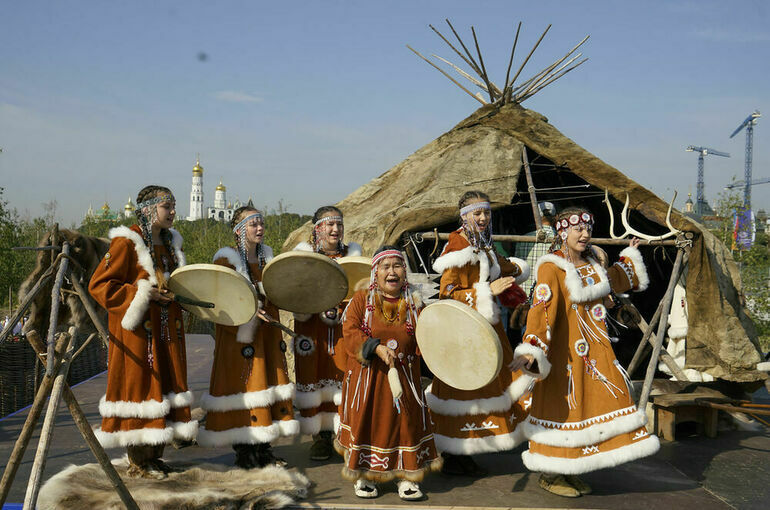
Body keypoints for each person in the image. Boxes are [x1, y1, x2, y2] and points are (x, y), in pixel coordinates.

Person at [511, 206, 658, 497]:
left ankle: (572, 469)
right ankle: (551, 473)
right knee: (562, 410)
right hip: (563, 355)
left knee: (595, 406)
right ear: (563, 231)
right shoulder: (550, 267)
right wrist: (532, 348)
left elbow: (614, 279)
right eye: (578, 229)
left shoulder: (591, 261)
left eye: (588, 228)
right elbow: (542, 309)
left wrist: (629, 257)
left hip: (595, 353)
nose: (585, 234)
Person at [89, 185, 196, 479]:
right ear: (149, 209)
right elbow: (99, 285)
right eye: (167, 207)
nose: (173, 212)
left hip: (167, 333)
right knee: (140, 390)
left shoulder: (172, 244)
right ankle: (138, 460)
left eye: (174, 206)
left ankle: (154, 457)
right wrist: (143, 294)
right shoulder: (127, 242)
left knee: (166, 389)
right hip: (139, 337)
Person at [428, 190, 534, 476]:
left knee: (494, 382)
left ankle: (471, 447)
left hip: (487, 327)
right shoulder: (458, 246)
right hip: (464, 331)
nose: (484, 218)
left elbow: (503, 265)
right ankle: (454, 452)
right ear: (465, 216)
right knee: (463, 389)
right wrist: (488, 290)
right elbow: (447, 294)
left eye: (486, 213)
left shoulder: (484, 243)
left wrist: (520, 270)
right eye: (477, 213)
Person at [335, 246, 441, 500]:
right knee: (368, 423)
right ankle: (363, 475)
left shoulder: (416, 302)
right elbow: (349, 333)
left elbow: (429, 336)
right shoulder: (361, 300)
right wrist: (376, 348)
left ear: (405, 271)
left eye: (397, 266)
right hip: (368, 378)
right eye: (386, 267)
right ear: (375, 272)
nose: (392, 272)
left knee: (406, 424)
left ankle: (406, 477)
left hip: (405, 377)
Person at [197, 206, 299, 468]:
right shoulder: (226, 261)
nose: (260, 228)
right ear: (239, 230)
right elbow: (220, 302)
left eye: (261, 223)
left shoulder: (267, 260)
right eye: (253, 224)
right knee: (245, 390)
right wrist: (251, 313)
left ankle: (264, 451)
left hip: (265, 337)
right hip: (239, 339)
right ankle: (246, 453)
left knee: (266, 389)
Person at [292, 206, 362, 460]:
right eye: (329, 225)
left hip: (344, 331)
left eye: (339, 225)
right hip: (312, 331)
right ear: (317, 229)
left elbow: (360, 291)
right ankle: (320, 438)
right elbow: (293, 292)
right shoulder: (303, 258)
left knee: (346, 376)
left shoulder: (354, 258)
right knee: (313, 373)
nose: (335, 229)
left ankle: (345, 435)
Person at [514, 201, 557, 296]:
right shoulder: (561, 240)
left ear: (536, 217)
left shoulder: (523, 239)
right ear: (555, 218)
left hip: (524, 295)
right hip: (548, 294)